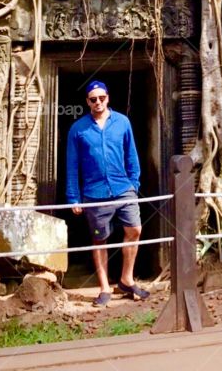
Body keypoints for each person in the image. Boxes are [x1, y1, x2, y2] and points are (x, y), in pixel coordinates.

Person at [66, 80, 150, 306]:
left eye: (101, 98)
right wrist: (73, 196)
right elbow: (72, 165)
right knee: (99, 239)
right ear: (87, 102)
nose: (98, 103)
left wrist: (134, 183)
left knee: (135, 229)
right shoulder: (78, 129)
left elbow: (131, 155)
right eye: (93, 99)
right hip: (94, 192)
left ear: (108, 98)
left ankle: (126, 279)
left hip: (124, 188)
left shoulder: (122, 122)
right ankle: (104, 287)